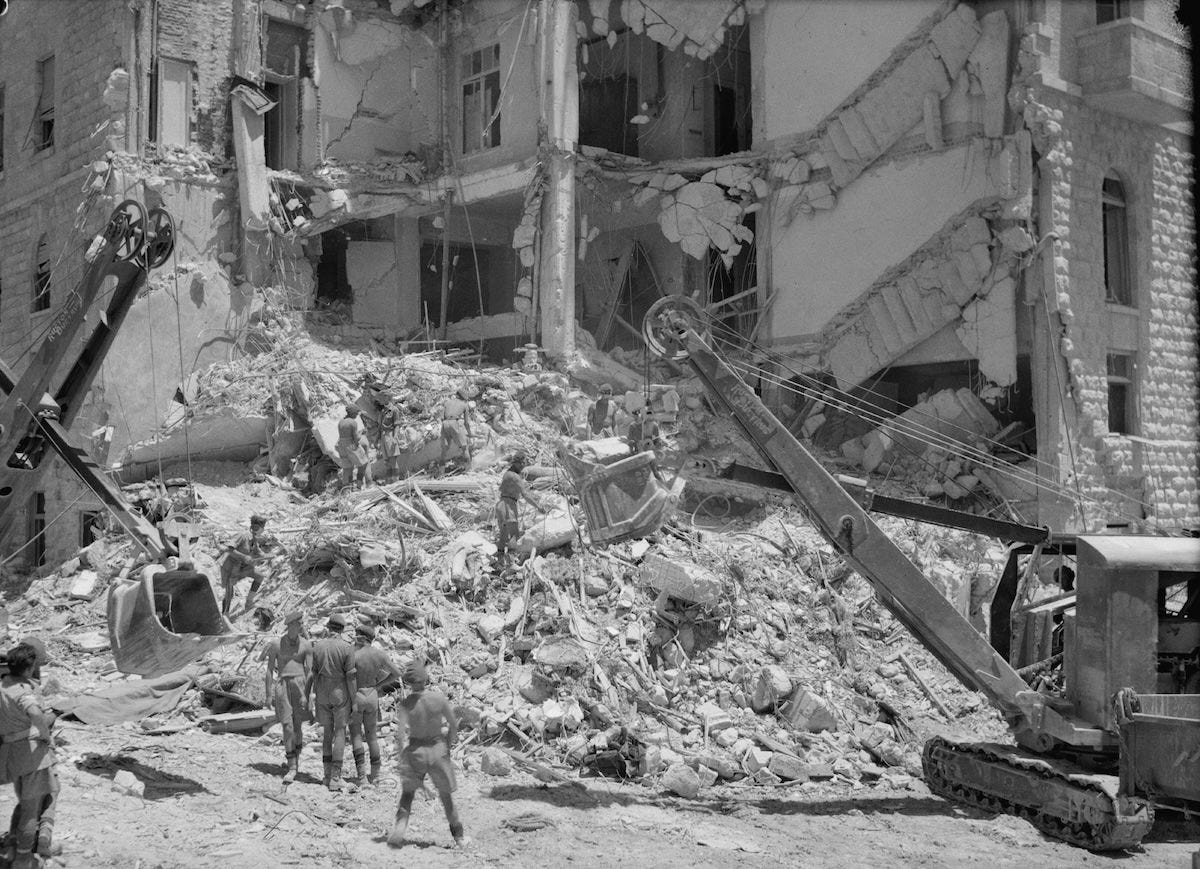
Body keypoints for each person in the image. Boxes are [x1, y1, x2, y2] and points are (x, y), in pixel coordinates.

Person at [388, 660, 464, 849]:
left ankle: (400, 827)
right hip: (438, 750)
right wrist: (447, 746)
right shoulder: (438, 699)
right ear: (425, 679)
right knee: (446, 797)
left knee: (407, 794)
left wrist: (400, 755)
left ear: (409, 682)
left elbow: (399, 735)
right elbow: (453, 725)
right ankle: (459, 837)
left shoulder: (406, 704)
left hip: (415, 751)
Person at [0, 639, 59, 869]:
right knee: (31, 808)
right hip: (31, 755)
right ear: (29, 667)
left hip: (12, 755)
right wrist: (44, 732)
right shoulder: (22, 692)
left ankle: (13, 848)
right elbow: (35, 712)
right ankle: (24, 859)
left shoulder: (4, 684)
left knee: (24, 801)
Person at [305, 613, 358, 792]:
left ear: (328, 627)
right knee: (340, 732)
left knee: (327, 733)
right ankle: (336, 778)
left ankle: (326, 776)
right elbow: (350, 677)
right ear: (342, 629)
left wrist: (310, 695)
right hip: (339, 692)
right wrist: (354, 699)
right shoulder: (347, 647)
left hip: (322, 692)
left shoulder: (317, 646)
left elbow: (312, 673)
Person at [260, 611, 313, 783]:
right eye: (298, 624)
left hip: (300, 685)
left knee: (297, 727)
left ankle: (294, 760)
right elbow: (269, 670)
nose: (301, 626)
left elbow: (310, 672)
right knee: (287, 726)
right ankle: (291, 767)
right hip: (282, 685)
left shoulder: (306, 645)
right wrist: (268, 695)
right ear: (290, 625)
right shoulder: (276, 644)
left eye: (301, 624)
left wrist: (308, 694)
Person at [349, 623, 402, 786]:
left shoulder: (353, 655)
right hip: (372, 695)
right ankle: (376, 775)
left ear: (361, 637)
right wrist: (379, 685)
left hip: (357, 695)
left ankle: (361, 777)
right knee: (372, 737)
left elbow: (348, 679)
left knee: (357, 735)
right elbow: (397, 673)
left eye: (356, 635)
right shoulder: (380, 655)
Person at [220, 515, 279, 616]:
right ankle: (225, 615)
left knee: (259, 576)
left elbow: (259, 552)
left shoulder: (254, 539)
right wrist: (244, 557)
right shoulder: (242, 536)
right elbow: (229, 549)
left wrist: (270, 556)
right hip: (231, 568)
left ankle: (249, 602)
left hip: (244, 568)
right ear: (257, 527)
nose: (263, 530)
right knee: (229, 593)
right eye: (262, 527)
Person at [495, 452, 545, 559]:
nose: (523, 466)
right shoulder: (514, 476)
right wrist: (538, 506)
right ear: (516, 463)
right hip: (507, 506)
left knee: (504, 535)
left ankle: (501, 559)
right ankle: (511, 560)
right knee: (514, 535)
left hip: (504, 504)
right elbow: (525, 494)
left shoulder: (508, 473)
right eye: (521, 464)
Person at [337, 405, 372, 490]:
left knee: (347, 467)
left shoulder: (341, 422)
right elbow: (356, 438)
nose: (357, 415)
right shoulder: (353, 423)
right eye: (356, 413)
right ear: (352, 413)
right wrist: (362, 432)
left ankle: (347, 489)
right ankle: (359, 484)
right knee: (364, 463)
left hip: (341, 445)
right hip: (351, 445)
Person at [440, 387, 474, 468]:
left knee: (444, 450)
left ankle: (441, 472)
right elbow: (466, 423)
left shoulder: (447, 403)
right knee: (464, 447)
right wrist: (469, 433)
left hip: (445, 423)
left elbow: (441, 418)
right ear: (464, 397)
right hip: (454, 423)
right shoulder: (464, 405)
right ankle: (469, 470)